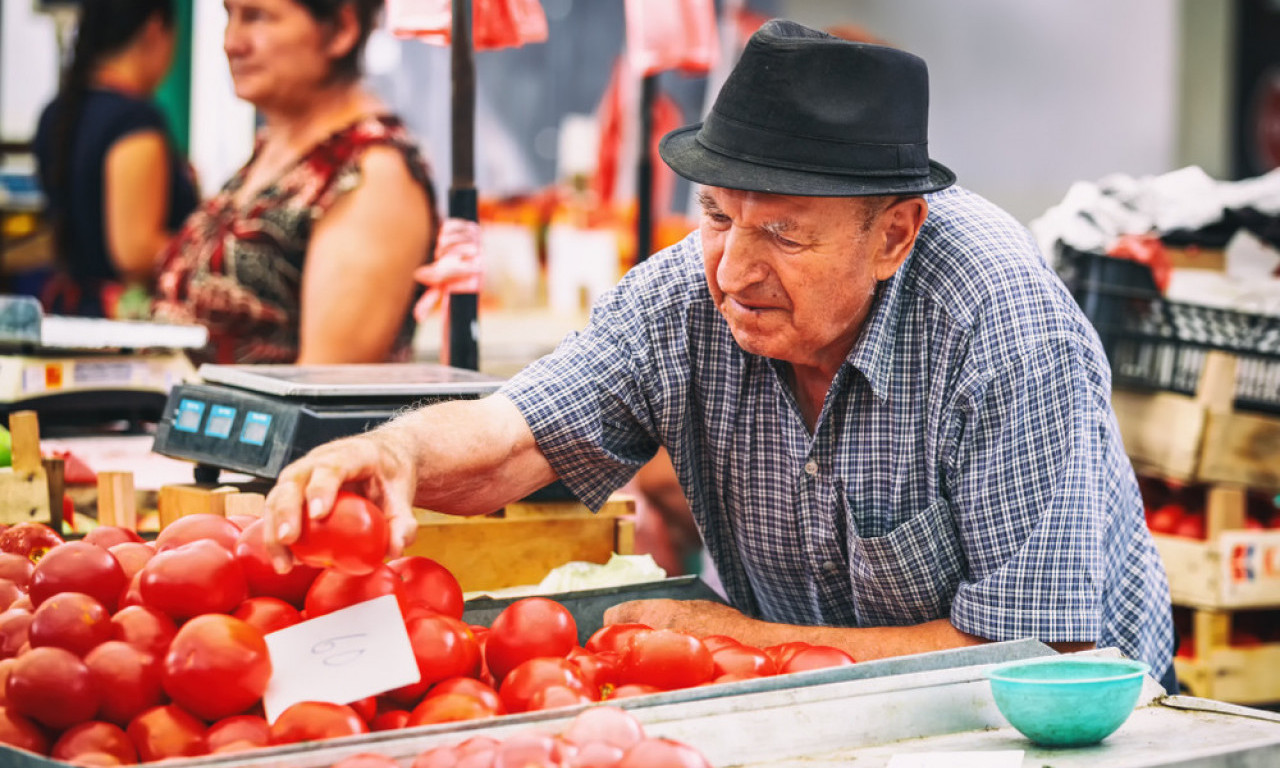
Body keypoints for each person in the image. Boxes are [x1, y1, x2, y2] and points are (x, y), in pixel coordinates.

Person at [263, 20, 1176, 690]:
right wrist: (395, 453)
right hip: (826, 713)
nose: (735, 270)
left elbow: (1041, 655)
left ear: (893, 237)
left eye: (783, 233)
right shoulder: (682, 295)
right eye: (715, 215)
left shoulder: (1003, 329)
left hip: (1075, 733)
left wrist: (739, 635)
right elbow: (513, 438)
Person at [150, 0, 437, 364]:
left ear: (341, 30)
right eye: (229, 16)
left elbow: (326, 384)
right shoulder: (275, 148)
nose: (232, 42)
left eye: (257, 17)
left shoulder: (373, 172)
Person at [33, 0, 197, 318]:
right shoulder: (133, 120)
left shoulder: (57, 112)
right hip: (123, 326)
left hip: (70, 312)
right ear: (155, 29)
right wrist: (214, 251)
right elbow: (134, 250)